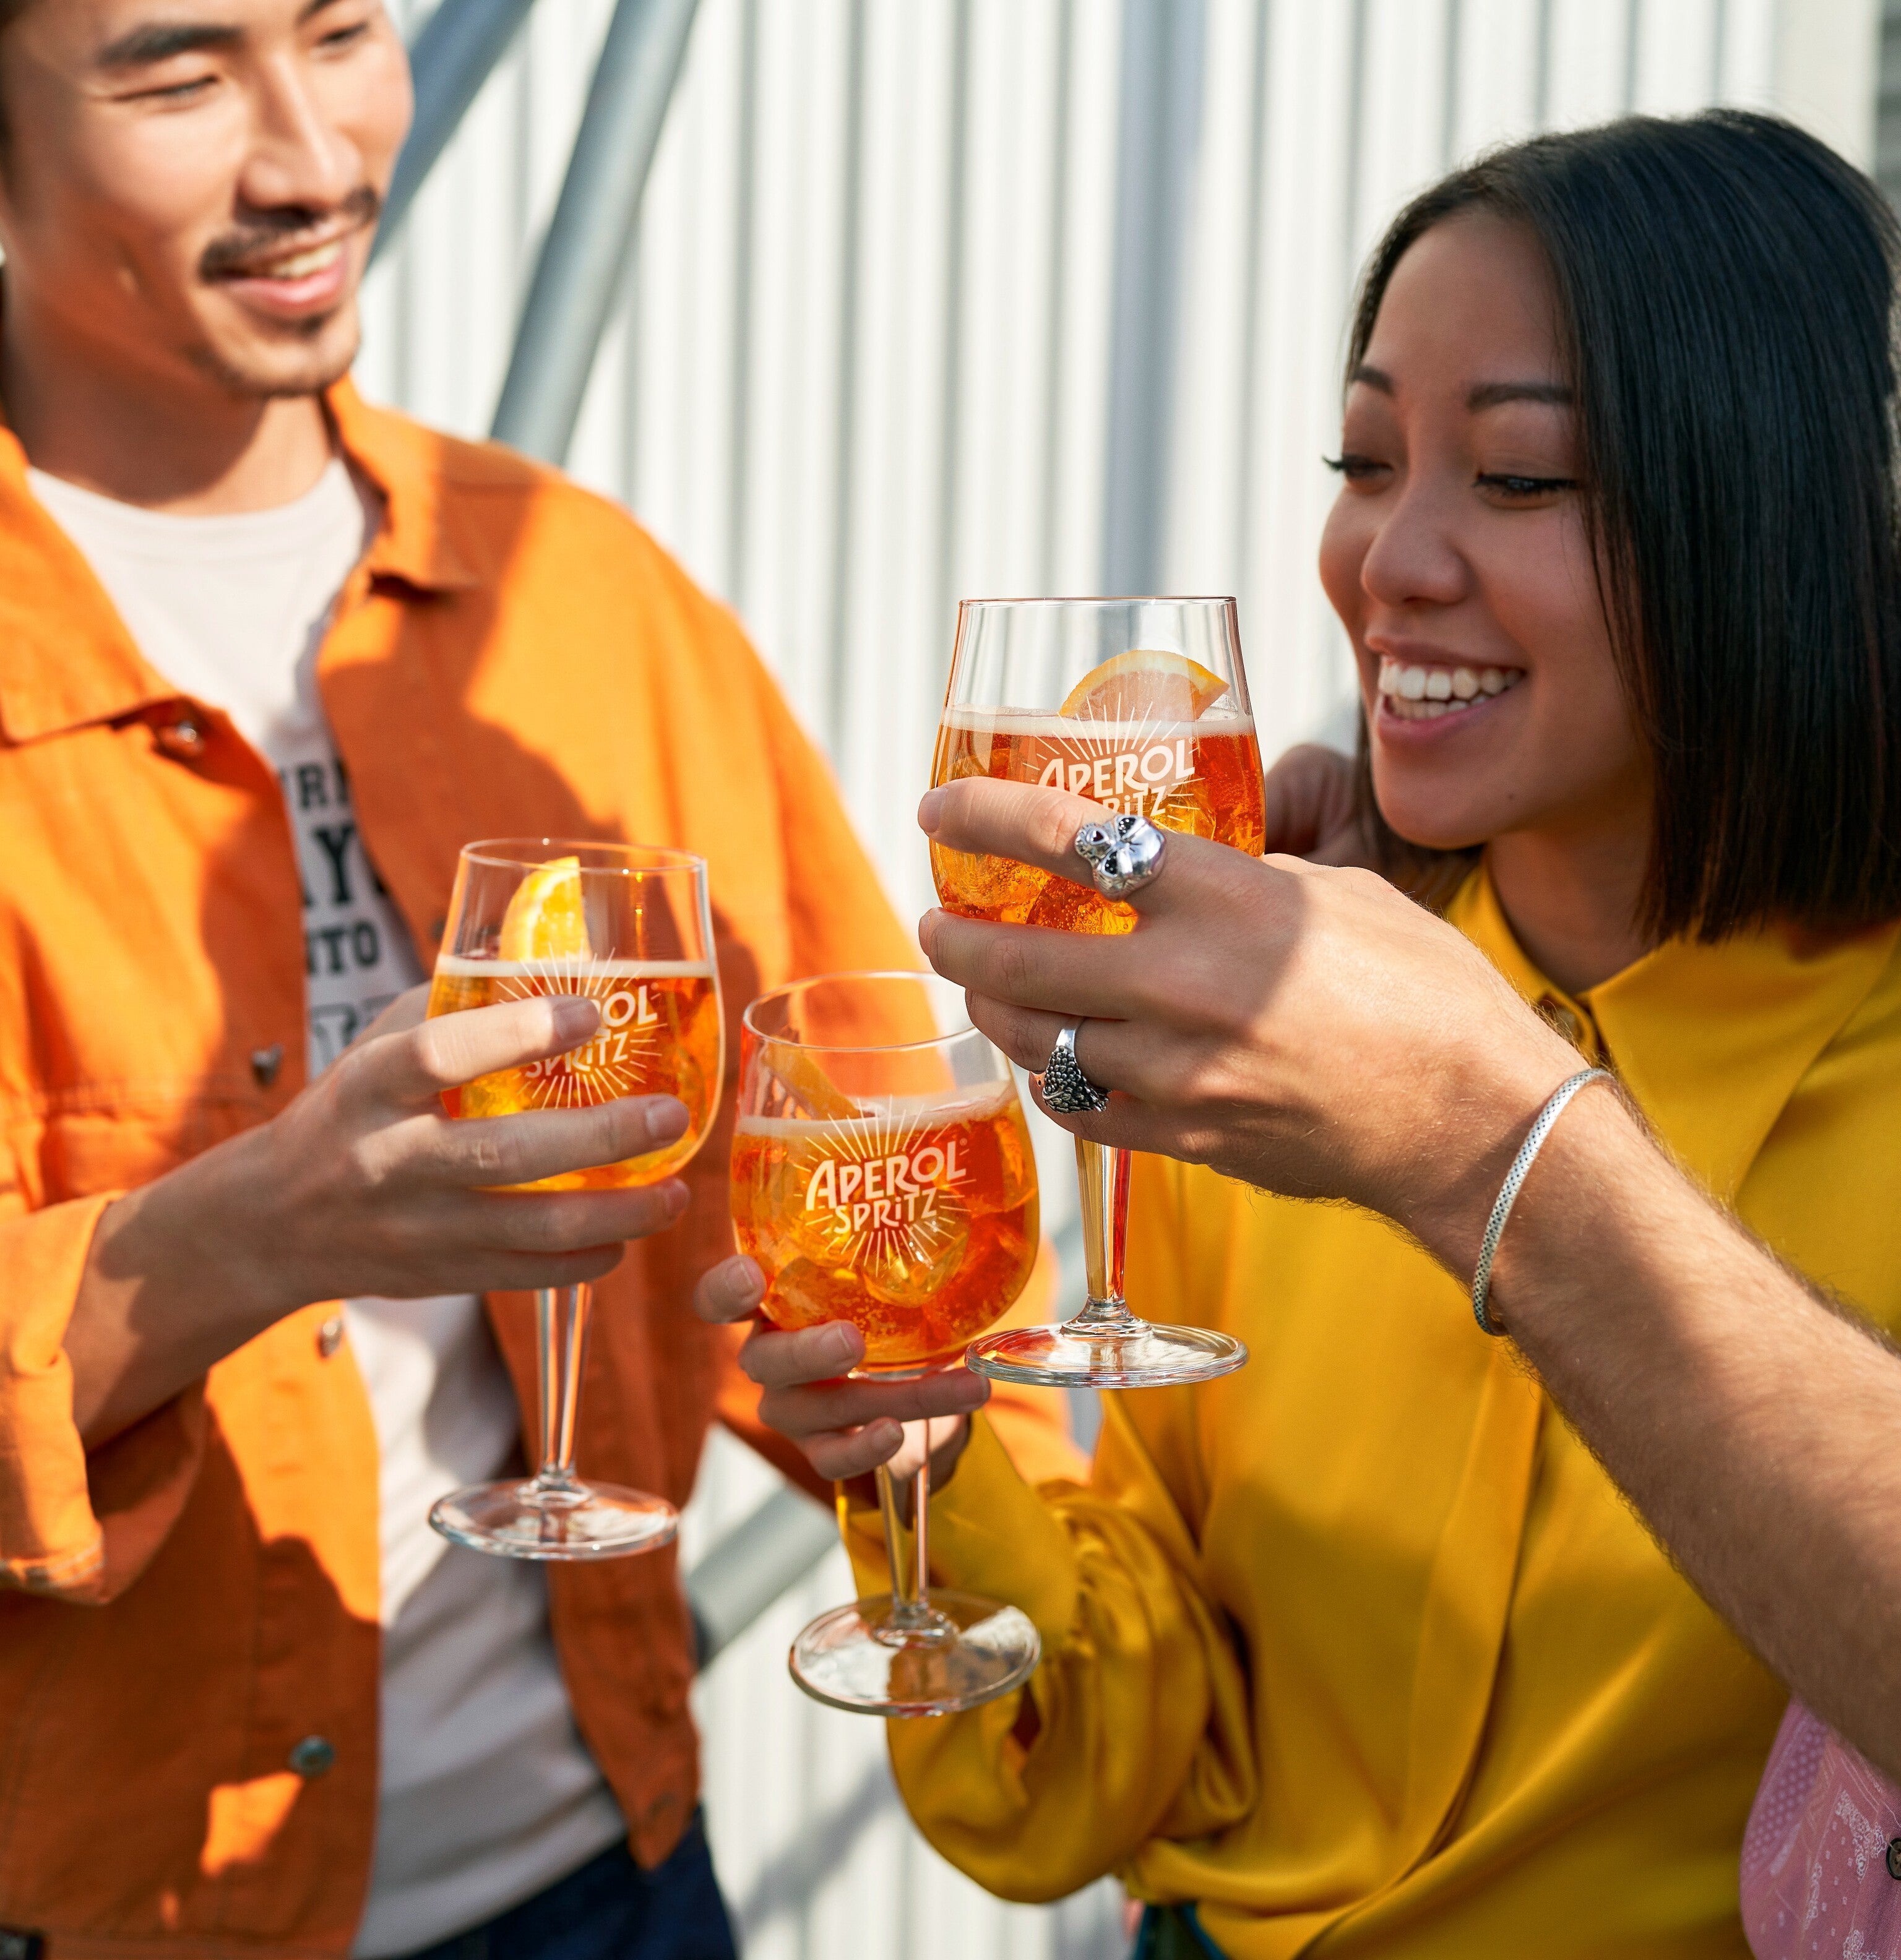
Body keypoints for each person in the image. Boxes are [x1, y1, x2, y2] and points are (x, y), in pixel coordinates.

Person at [694, 111, 1901, 1957]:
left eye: (1518, 480)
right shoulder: (1270, 1009)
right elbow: (1145, 1757)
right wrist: (928, 1481)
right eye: (1363, 460)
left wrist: (1494, 1144)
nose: (1385, 563)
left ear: (1775, 506)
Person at [0, 3, 1075, 1956]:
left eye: (344, 34)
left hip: (610, 1886)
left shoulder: (582, 599)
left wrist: (971, 1482)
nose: (310, 155)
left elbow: (870, 1150)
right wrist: (248, 1232)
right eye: (178, 76)